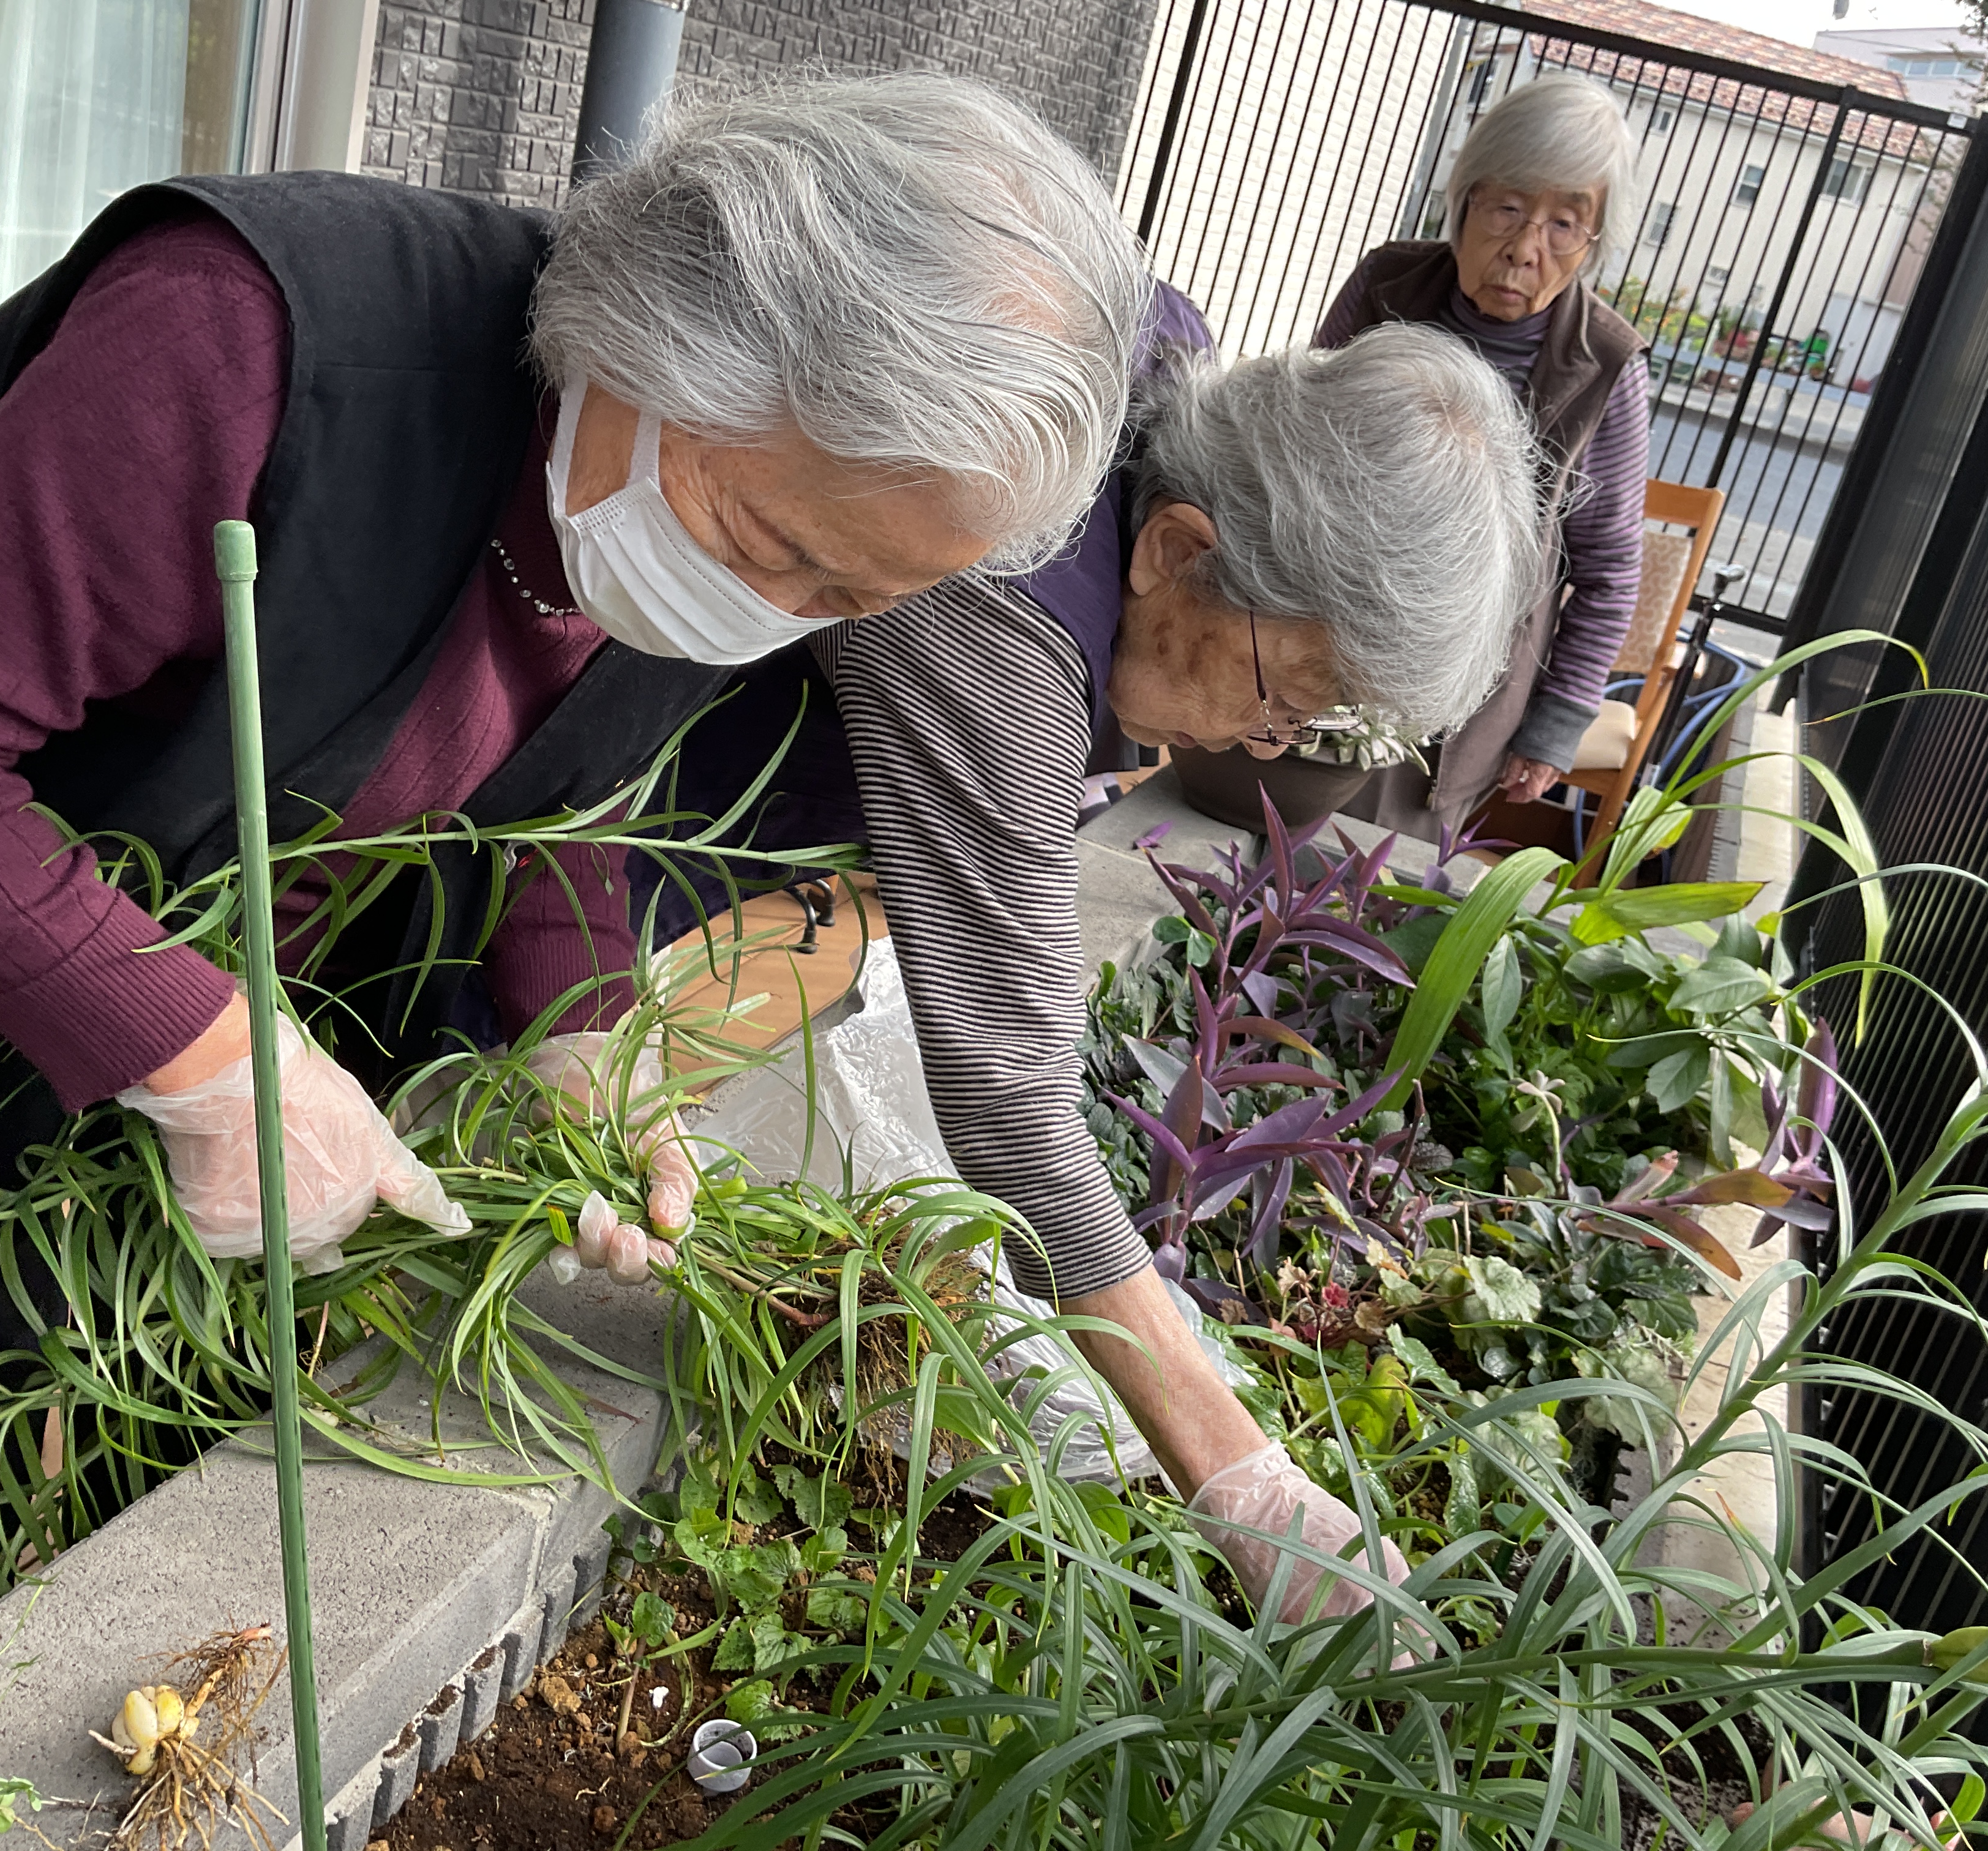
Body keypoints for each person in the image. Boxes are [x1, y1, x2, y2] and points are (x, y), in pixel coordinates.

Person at [0, 71, 1152, 1494]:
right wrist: (206, 1057)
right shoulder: (250, 347)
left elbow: (575, 771)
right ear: (656, 346)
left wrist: (585, 1041)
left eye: (849, 600)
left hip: (81, 1083)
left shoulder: (696, 509)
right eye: (769, 548)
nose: (777, 614)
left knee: (37, 1441)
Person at [653, 309, 1546, 1623]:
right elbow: (1008, 1099)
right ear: (1181, 550)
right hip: (596, 826)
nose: (1263, 740)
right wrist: (1235, 1467)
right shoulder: (1003, 616)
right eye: (1282, 697)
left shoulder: (1162, 372)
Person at [1316, 72, 1651, 834]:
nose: (1527, 249)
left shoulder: (1606, 364)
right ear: (1464, 200)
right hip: (1321, 628)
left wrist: (1555, 723)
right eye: (1507, 209)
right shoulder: (1385, 285)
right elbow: (1298, 439)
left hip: (1465, 690)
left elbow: (1607, 572)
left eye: (1566, 224)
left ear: (1591, 243)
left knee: (1374, 892)